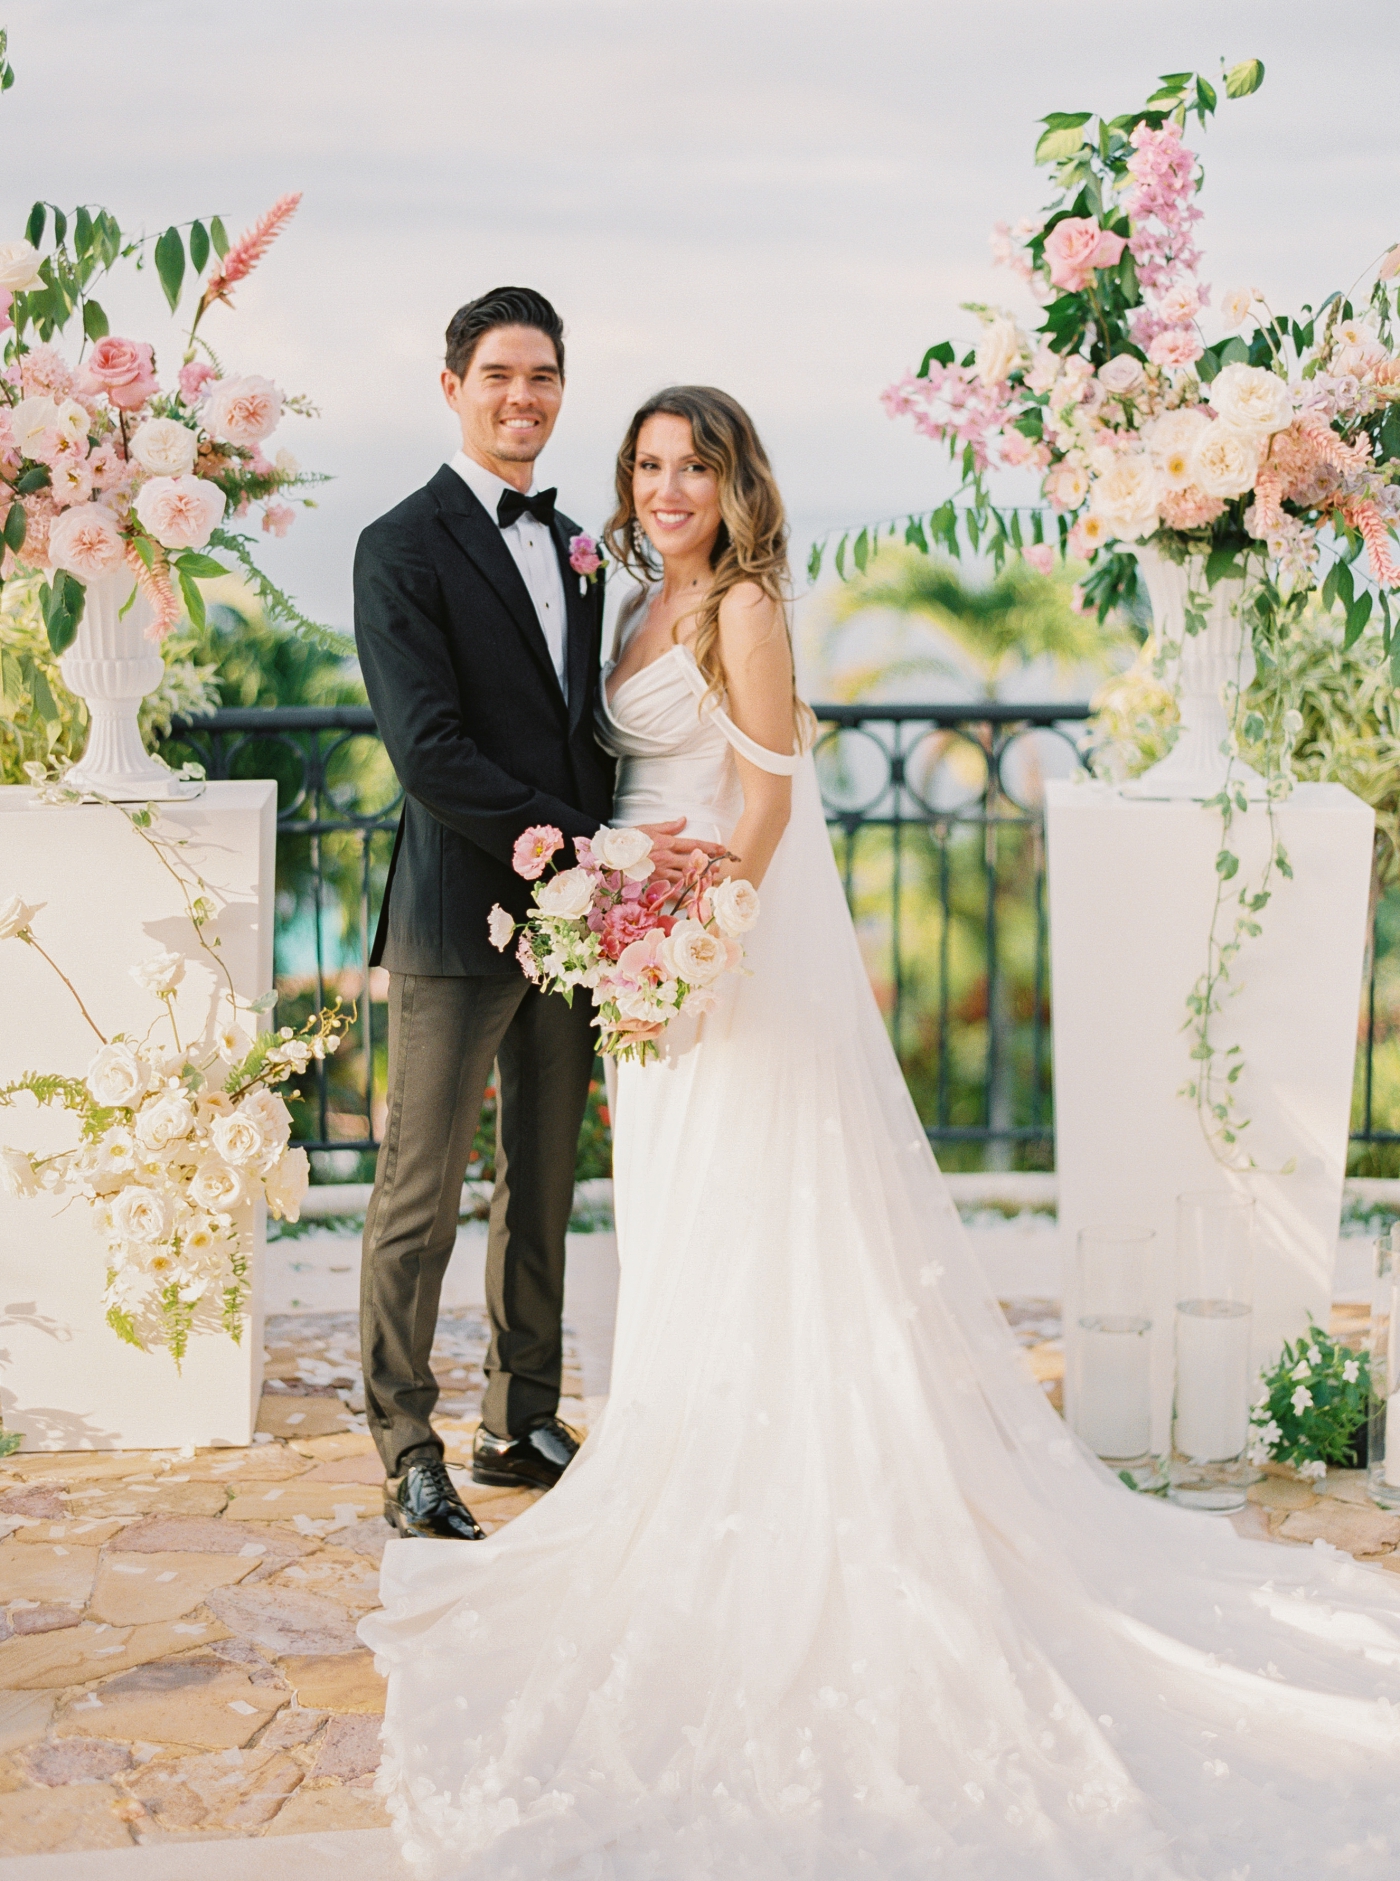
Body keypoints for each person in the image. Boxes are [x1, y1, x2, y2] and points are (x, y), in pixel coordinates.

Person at [361, 387, 1400, 1877]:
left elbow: (774, 797)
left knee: (754, 1202)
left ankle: (770, 1479)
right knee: (677, 1215)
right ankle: (683, 1429)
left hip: (705, 946)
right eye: (648, 465)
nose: (665, 488)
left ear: (733, 480)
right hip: (633, 940)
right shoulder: (641, 589)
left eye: (691, 466)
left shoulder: (749, 607)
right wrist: (627, 926)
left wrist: (699, 938)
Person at [353, 292, 717, 1541]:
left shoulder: (579, 544)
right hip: (461, 920)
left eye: (545, 375)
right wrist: (587, 844)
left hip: (578, 926)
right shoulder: (397, 546)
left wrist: (622, 879)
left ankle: (518, 1418)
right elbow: (430, 755)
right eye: (500, 373)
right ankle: (405, 1442)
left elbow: (584, 730)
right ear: (452, 384)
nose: (524, 396)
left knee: (543, 1179)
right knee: (419, 1189)